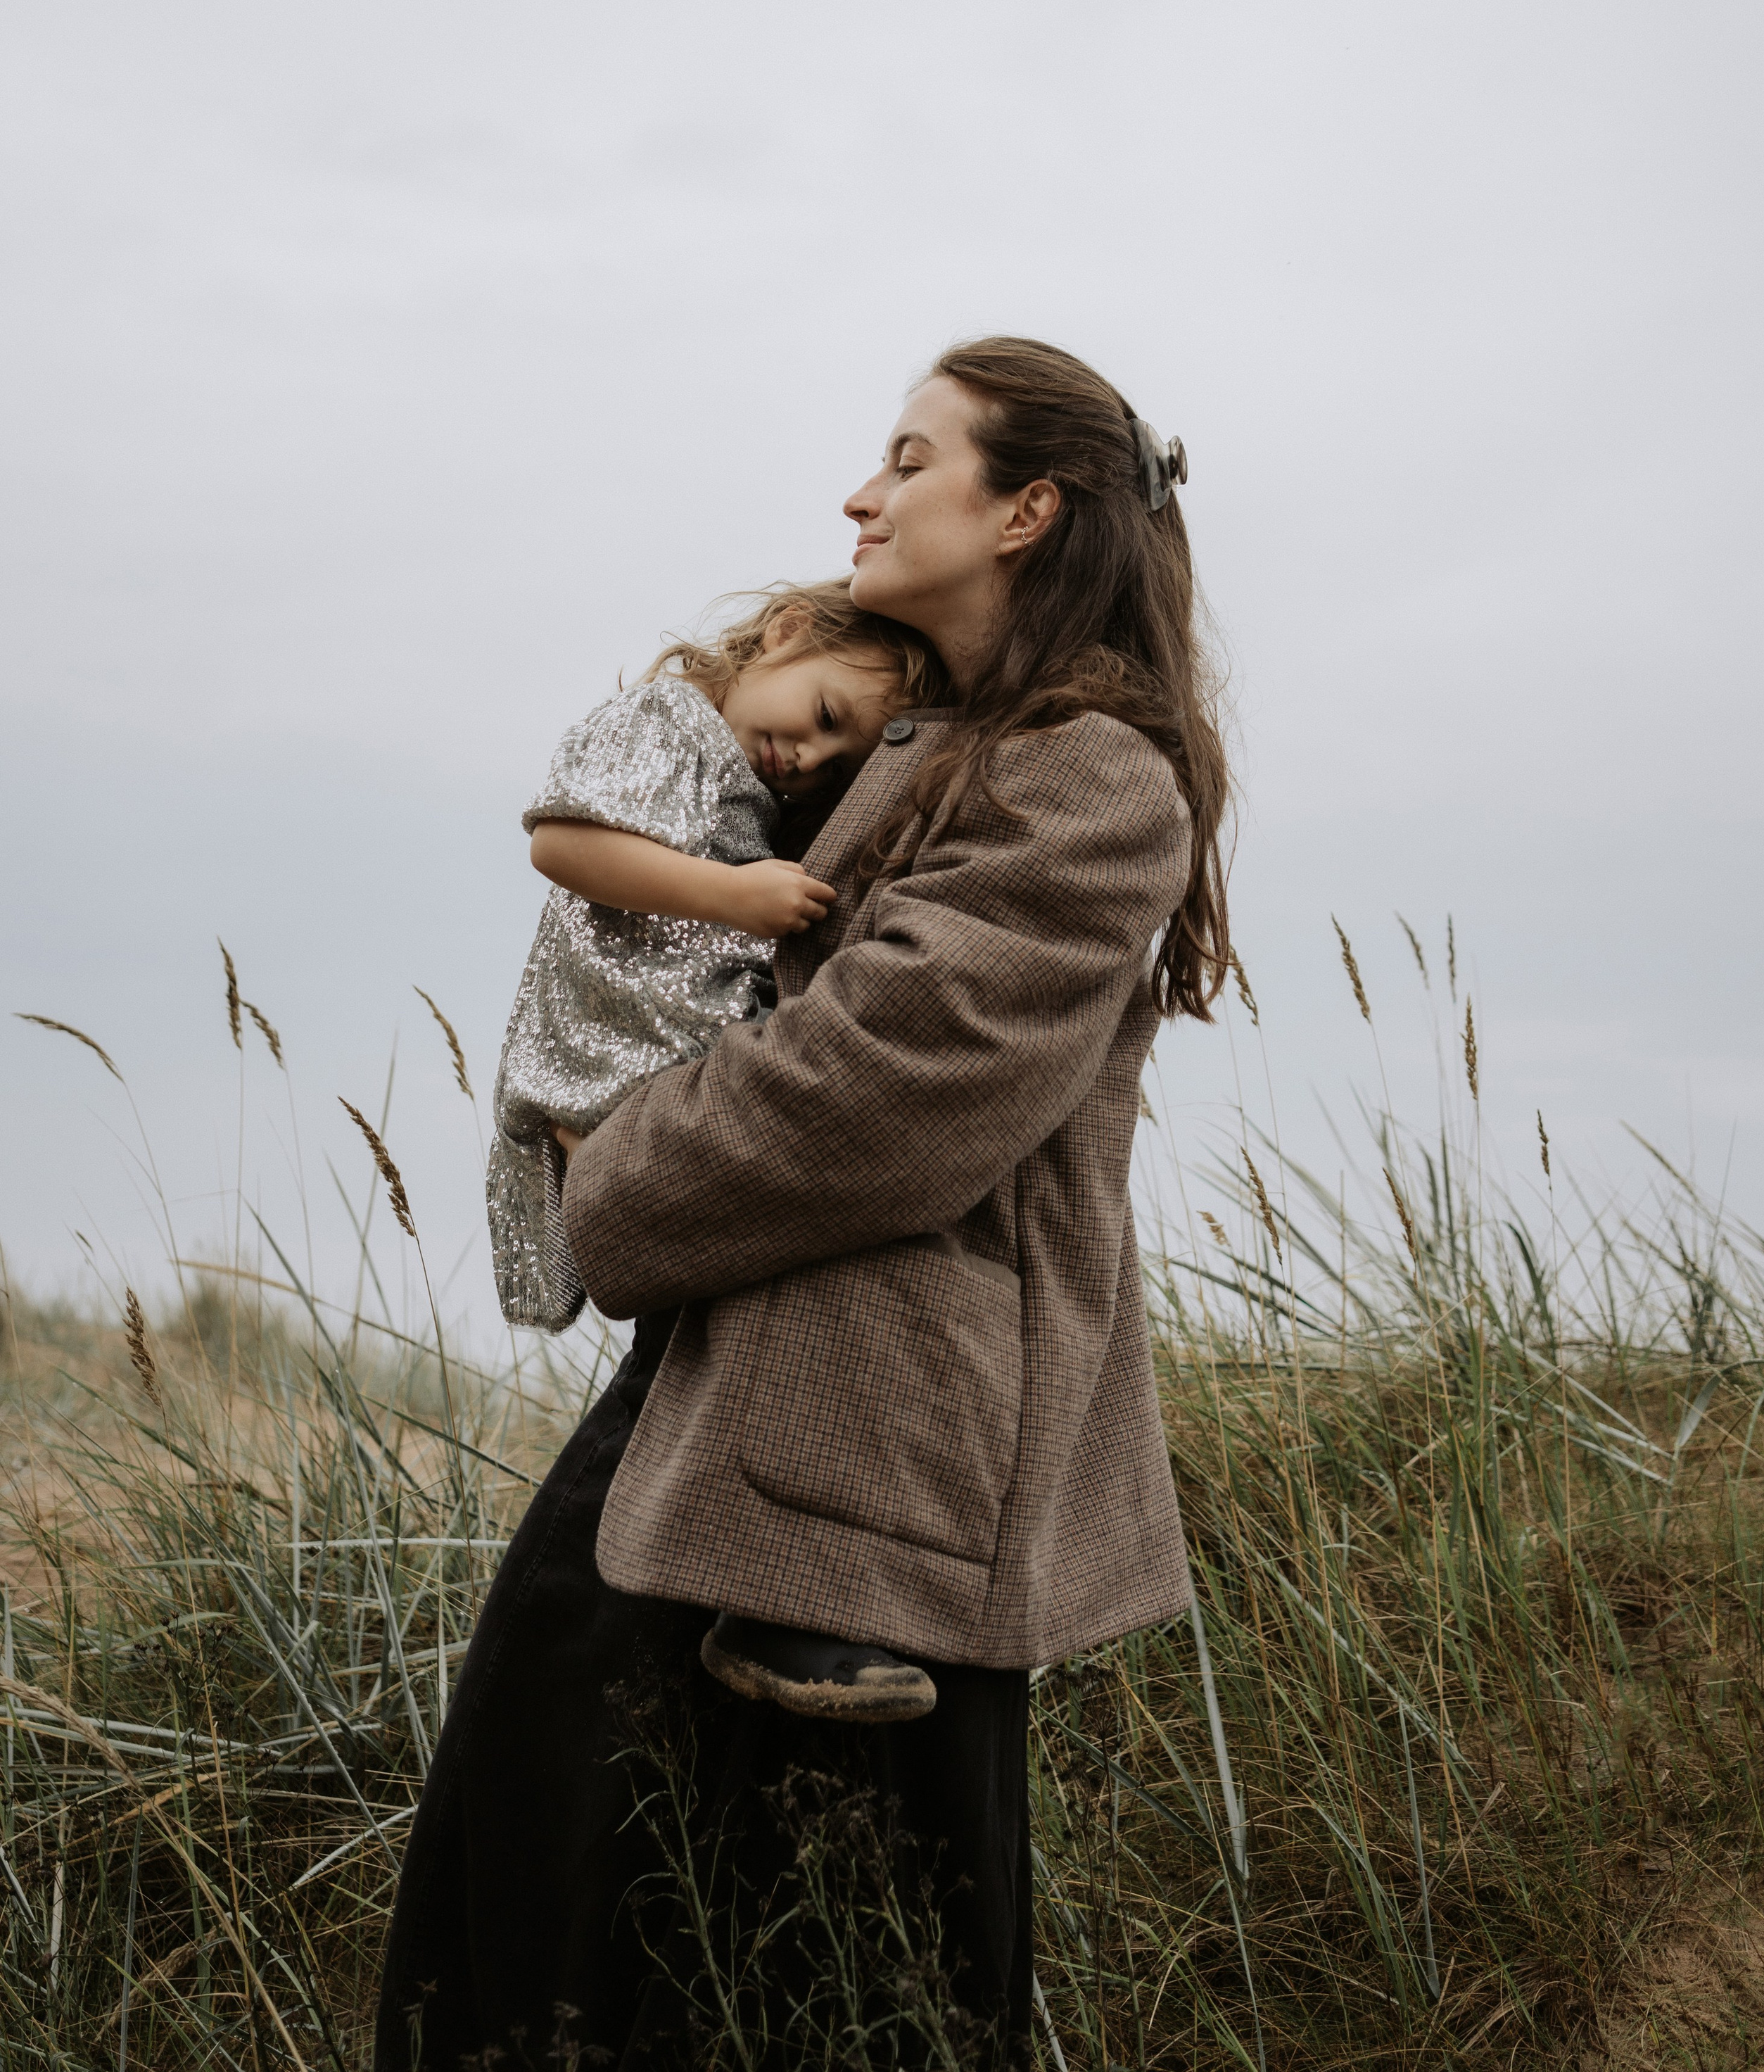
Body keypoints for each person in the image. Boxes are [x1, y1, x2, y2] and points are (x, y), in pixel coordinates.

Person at [374, 336, 1231, 2072]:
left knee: (814, 1994)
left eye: (909, 459)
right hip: (726, 1412)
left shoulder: (1088, 775)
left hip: (877, 1501)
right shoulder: (910, 733)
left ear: (1025, 511)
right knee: (547, 1937)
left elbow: (877, 1091)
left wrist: (602, 1176)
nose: (859, 491)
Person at [486, 577, 951, 1720]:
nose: (808, 753)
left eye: (837, 753)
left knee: (767, 1310)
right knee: (781, 1286)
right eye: (824, 714)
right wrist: (732, 897)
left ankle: (765, 1587)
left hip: (676, 1064)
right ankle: (771, 1601)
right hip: (615, 1063)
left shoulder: (744, 779)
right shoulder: (668, 722)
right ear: (785, 632)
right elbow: (562, 842)